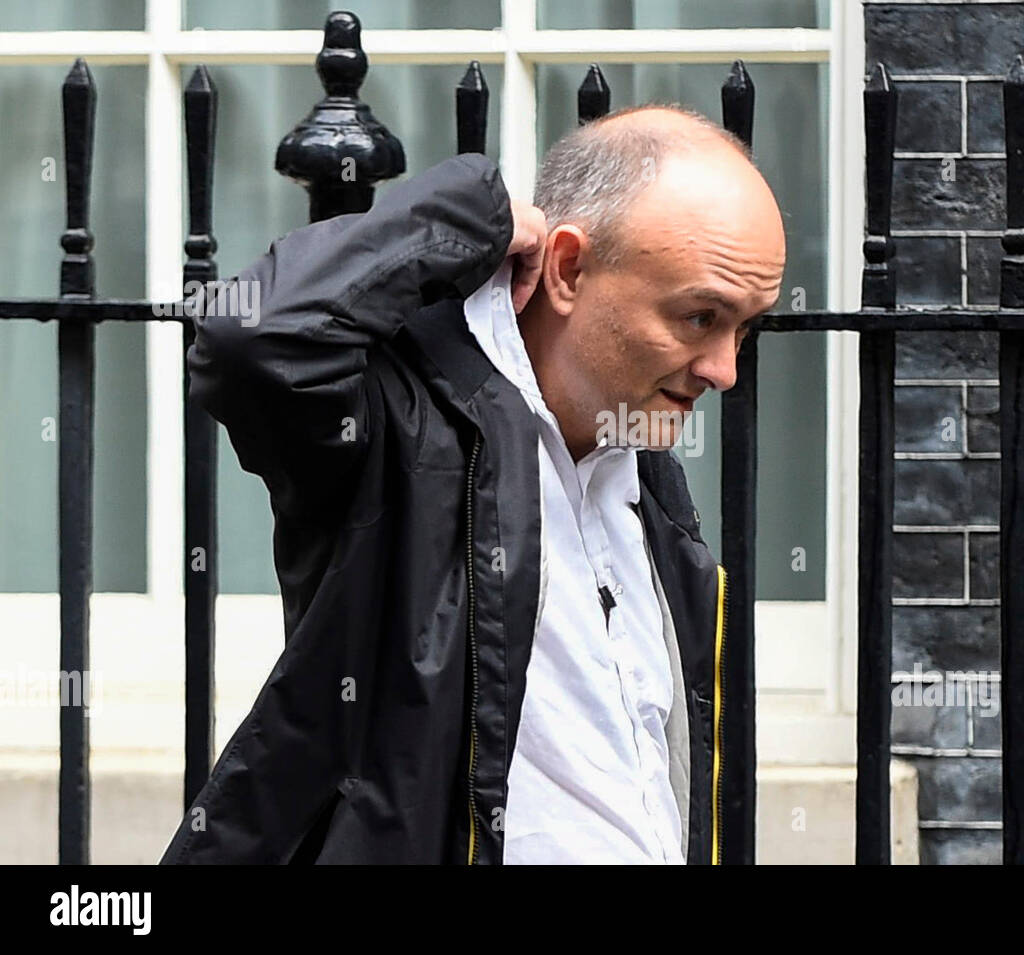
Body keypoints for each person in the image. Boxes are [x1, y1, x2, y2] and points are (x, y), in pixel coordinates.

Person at [158, 103, 786, 865]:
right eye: (700, 317)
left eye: (744, 328)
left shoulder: (647, 480)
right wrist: (472, 212)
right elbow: (250, 338)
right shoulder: (402, 428)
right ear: (566, 267)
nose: (724, 369)